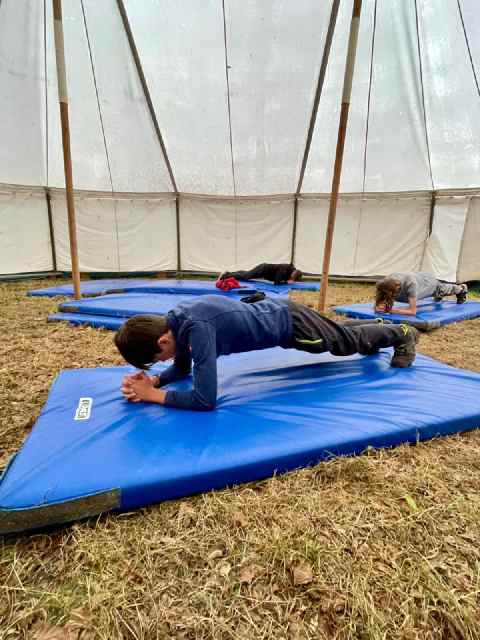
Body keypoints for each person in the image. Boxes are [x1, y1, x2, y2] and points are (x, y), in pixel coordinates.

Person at [114, 295, 419, 411]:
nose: (164, 362)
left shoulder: (196, 329)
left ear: (162, 342)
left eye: (158, 360)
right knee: (339, 333)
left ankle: (402, 333)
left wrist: (153, 396)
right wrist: (156, 382)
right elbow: (182, 369)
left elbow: (205, 400)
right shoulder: (177, 322)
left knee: (343, 344)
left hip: (291, 326)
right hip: (279, 312)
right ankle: (379, 327)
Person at [375, 272, 468, 316]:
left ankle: (462, 289)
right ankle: (439, 295)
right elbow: (379, 305)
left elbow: (412, 311)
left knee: (442, 290)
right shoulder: (385, 283)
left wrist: (390, 310)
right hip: (418, 277)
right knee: (439, 293)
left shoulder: (410, 284)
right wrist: (380, 306)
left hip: (428, 283)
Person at [219, 262, 302, 285]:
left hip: (263, 271)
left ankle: (229, 273)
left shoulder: (291, 271)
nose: (291, 279)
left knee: (247, 273)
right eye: (293, 277)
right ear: (294, 273)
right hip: (262, 269)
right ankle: (225, 275)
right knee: (246, 276)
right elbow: (276, 282)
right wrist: (286, 282)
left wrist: (289, 280)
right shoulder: (284, 268)